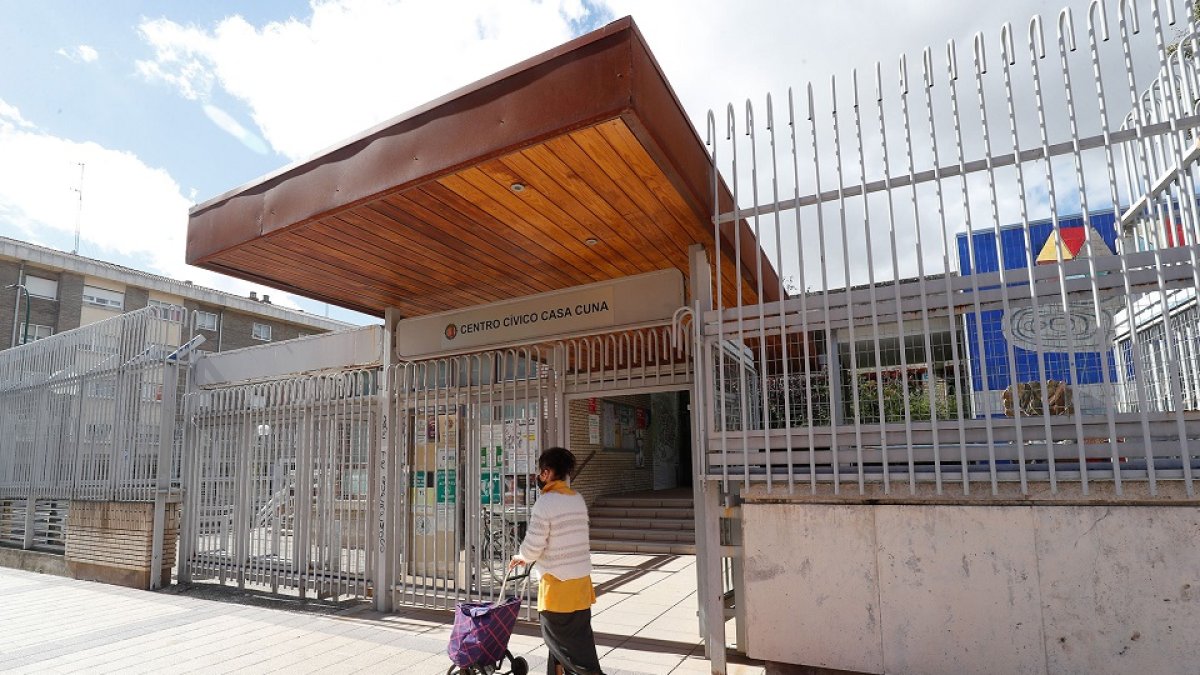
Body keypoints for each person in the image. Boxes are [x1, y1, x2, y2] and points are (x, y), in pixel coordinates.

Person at [510, 447, 604, 675]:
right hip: (581, 588)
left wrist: (522, 557)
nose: (539, 477)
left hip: (558, 591)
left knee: (573, 654)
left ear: (547, 473)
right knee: (572, 645)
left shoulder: (546, 503)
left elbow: (533, 545)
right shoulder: (577, 499)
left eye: (541, 472)